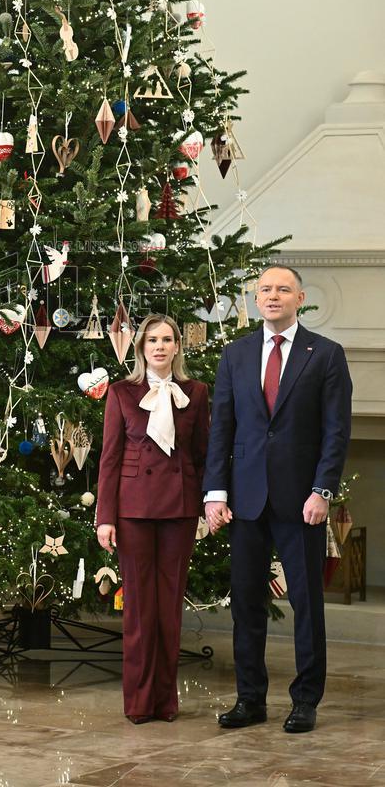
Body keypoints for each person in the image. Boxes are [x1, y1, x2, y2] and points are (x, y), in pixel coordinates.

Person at [203, 265, 352, 734]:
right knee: (246, 602)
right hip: (245, 501)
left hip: (302, 501)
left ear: (299, 297)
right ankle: (251, 700)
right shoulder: (236, 354)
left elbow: (336, 431)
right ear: (255, 297)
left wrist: (322, 490)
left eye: (282, 289)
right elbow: (221, 429)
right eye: (265, 289)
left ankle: (305, 699)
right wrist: (215, 492)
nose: (273, 296)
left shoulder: (325, 355)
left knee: (306, 603)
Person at [96, 314, 209, 724]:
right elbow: (108, 458)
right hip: (133, 511)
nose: (159, 347)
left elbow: (201, 454)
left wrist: (202, 505)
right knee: (140, 610)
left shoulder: (196, 392)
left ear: (178, 346)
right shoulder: (122, 392)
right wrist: (104, 517)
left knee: (169, 608)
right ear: (141, 348)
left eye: (167, 340)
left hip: (179, 509)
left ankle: (166, 701)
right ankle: (139, 703)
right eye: (151, 340)